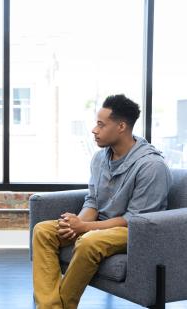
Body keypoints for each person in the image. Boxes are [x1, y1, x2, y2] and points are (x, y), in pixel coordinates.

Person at [32, 94, 172, 309]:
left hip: (135, 231)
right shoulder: (100, 158)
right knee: (43, 231)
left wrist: (85, 228)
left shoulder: (152, 166)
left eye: (101, 124)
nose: (94, 130)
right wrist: (75, 224)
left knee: (89, 242)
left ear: (121, 126)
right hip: (100, 224)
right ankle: (51, 306)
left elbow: (136, 220)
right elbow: (93, 201)